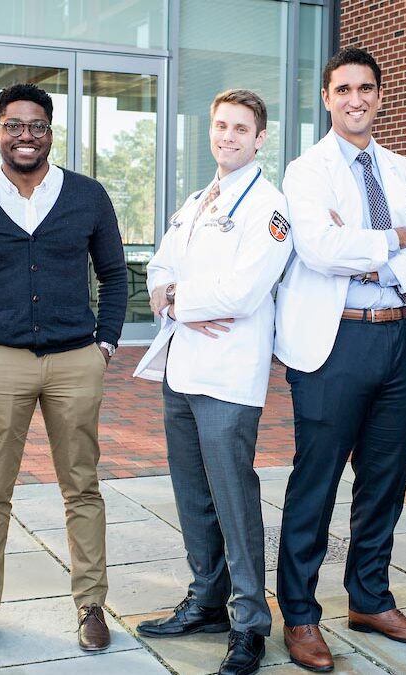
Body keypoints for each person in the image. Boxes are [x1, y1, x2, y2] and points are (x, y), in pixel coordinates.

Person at [0, 83, 127, 656]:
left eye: (36, 125)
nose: (25, 135)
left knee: (82, 488)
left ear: (50, 132)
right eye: (13, 125)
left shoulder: (87, 196)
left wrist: (105, 345)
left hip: (75, 363)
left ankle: (91, 605)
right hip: (2, 364)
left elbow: (115, 276)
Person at [274, 46, 406, 672]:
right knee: (315, 483)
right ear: (327, 98)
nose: (355, 99)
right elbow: (319, 247)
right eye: (343, 89)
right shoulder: (307, 170)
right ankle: (299, 614)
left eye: (365, 88)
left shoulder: (404, 170)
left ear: (379, 95)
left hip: (396, 340)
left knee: (385, 480)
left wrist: (378, 248)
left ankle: (370, 598)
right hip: (333, 342)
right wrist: (394, 241)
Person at [132, 89, 292, 675]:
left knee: (233, 498)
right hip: (182, 368)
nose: (227, 135)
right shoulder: (198, 200)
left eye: (240, 128)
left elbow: (245, 292)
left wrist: (179, 300)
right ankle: (206, 601)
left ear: (260, 138)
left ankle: (250, 621)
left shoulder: (269, 208)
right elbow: (159, 267)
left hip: (227, 376)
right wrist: (173, 297)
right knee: (192, 496)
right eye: (220, 125)